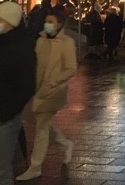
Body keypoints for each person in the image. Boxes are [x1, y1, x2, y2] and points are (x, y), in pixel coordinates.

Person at [16, 11, 76, 181]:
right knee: (41, 123)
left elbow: (71, 68)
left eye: (50, 21)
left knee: (41, 129)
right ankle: (65, 144)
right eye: (46, 21)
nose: (46, 24)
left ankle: (35, 167)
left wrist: (52, 83)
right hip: (37, 89)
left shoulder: (67, 43)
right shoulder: (41, 40)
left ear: (59, 24)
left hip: (53, 91)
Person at [0, 2, 35, 185]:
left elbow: (28, 85)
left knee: (2, 169)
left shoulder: (22, 48)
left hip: (6, 117)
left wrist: (9, 110)